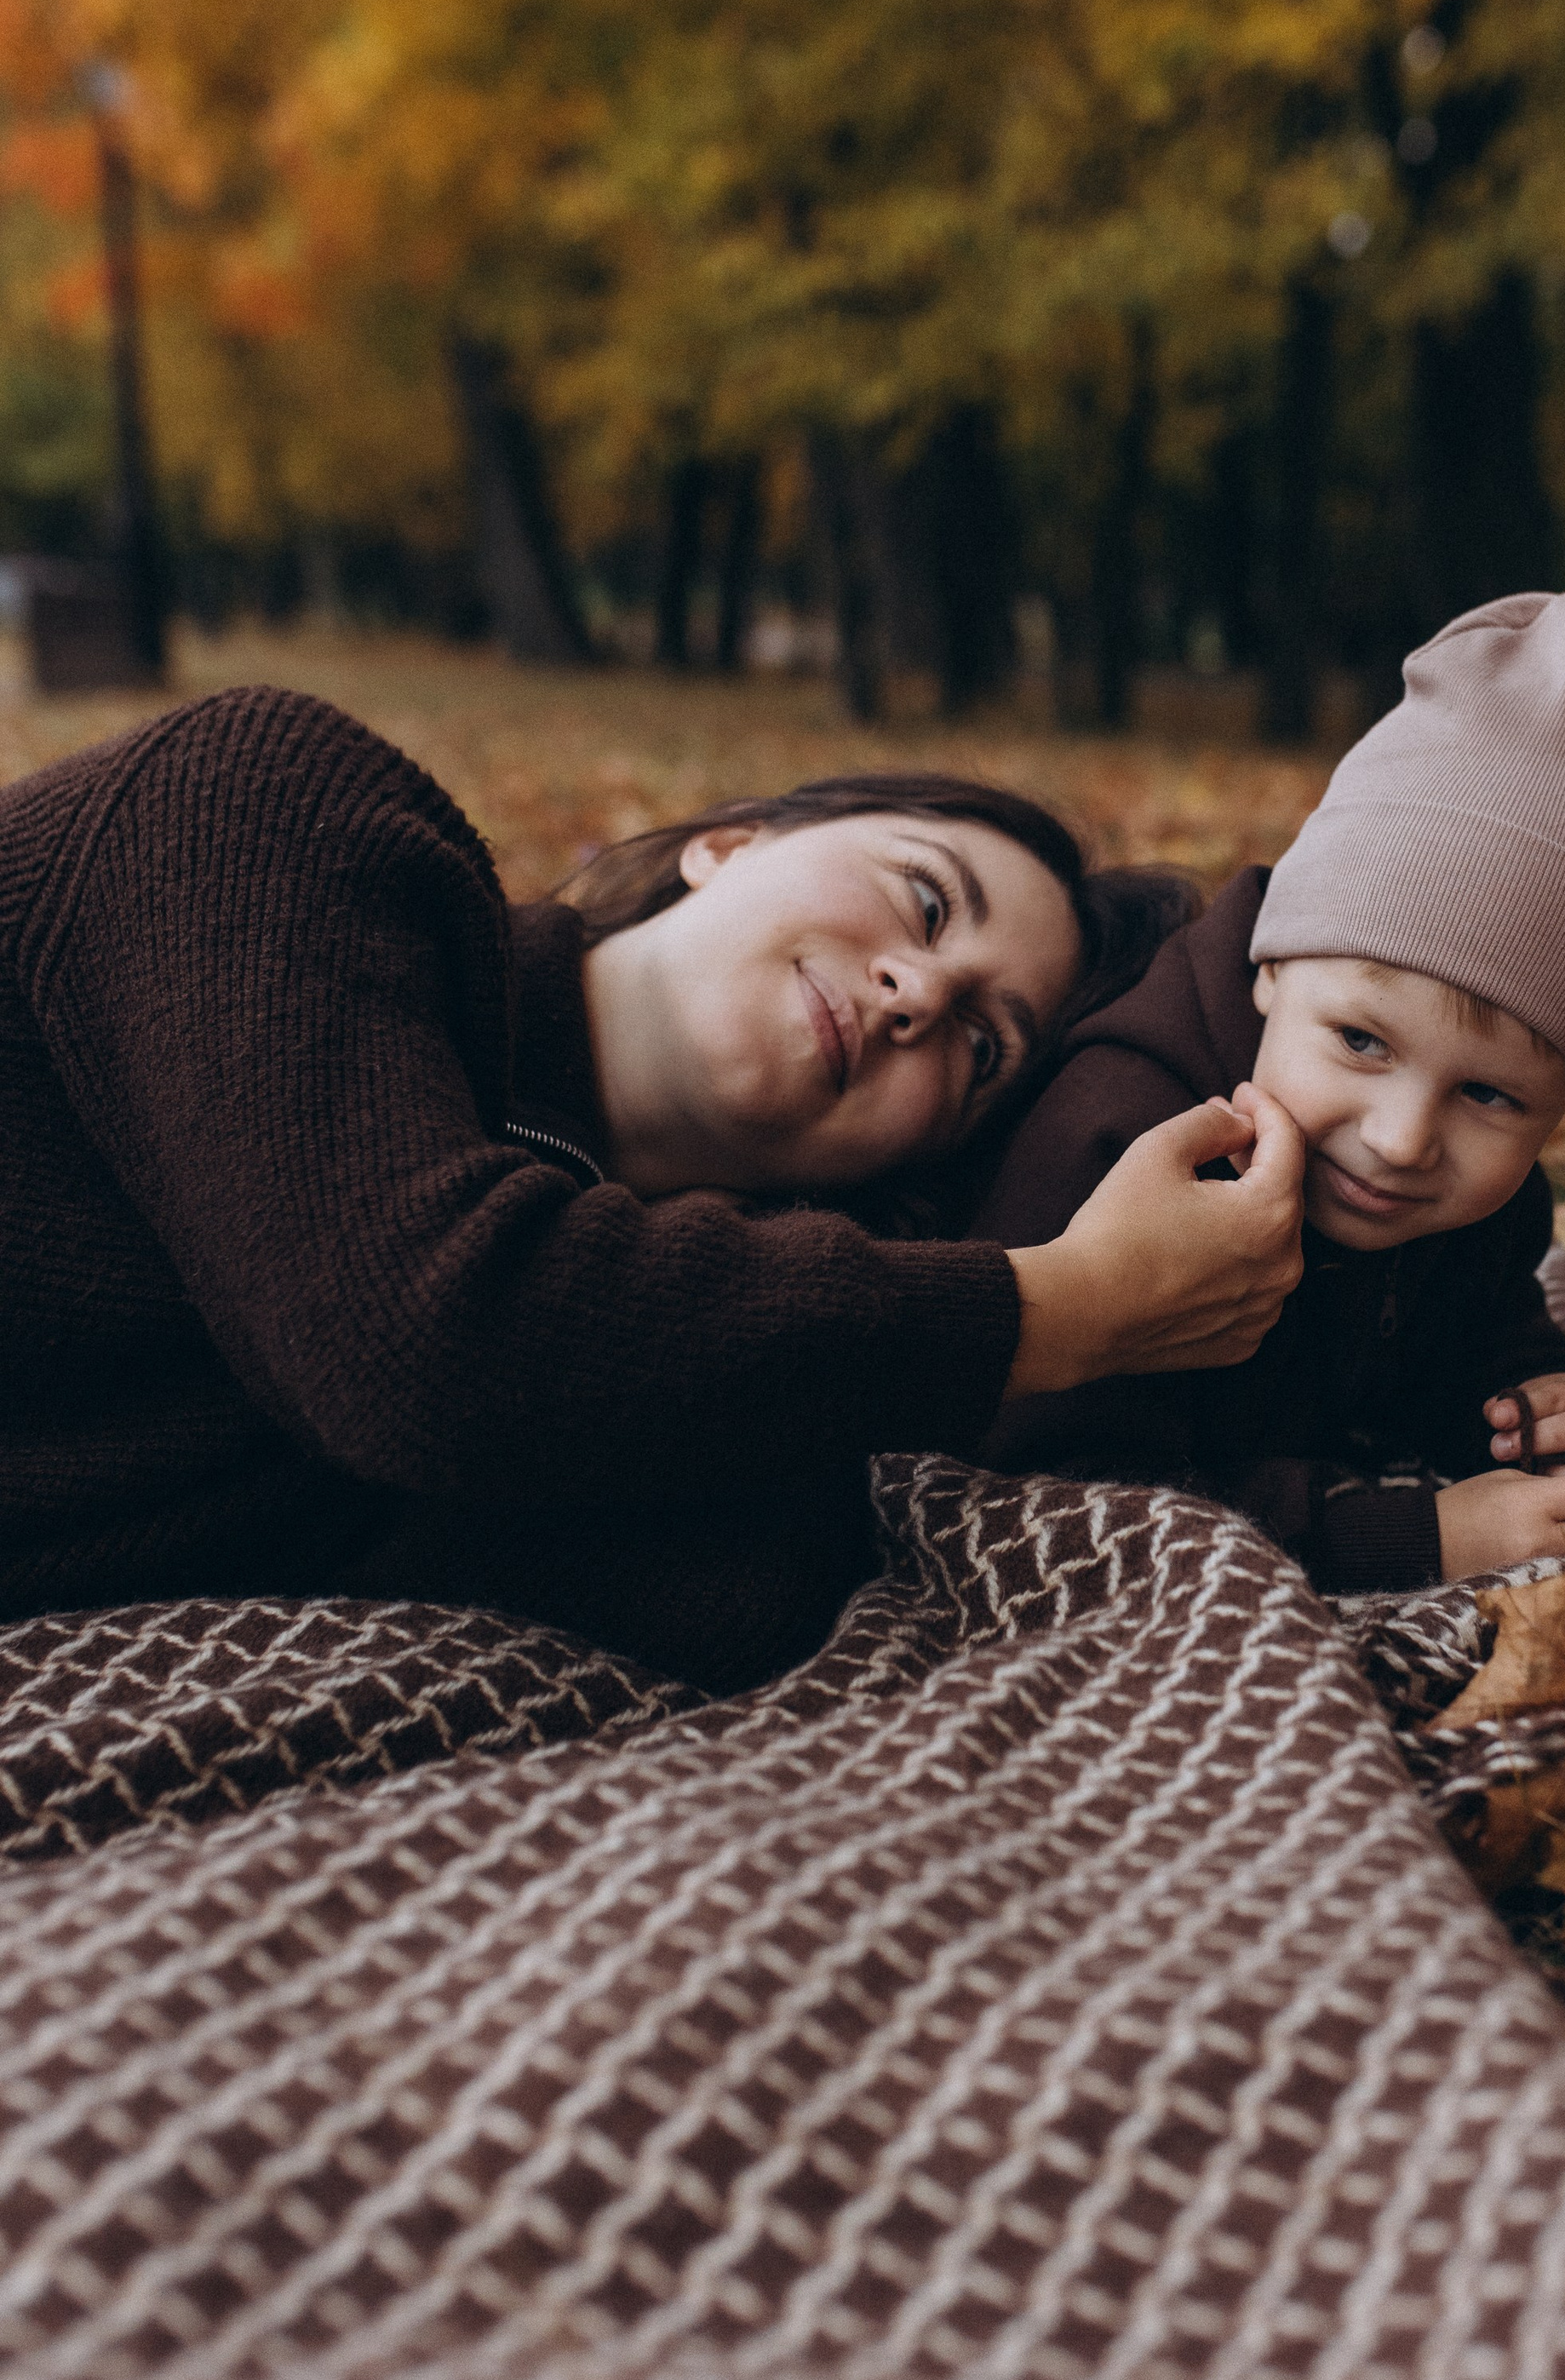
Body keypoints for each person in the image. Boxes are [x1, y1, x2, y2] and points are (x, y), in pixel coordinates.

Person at [0, 685, 1304, 1689]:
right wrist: (1058, 1305)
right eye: (922, 898)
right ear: (728, 845)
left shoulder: (640, 1383)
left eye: (979, 1049)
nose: (916, 990)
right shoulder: (272, 806)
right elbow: (425, 1338)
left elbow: (725, 1591)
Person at [976, 590, 1565, 1588]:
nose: (1402, 1138)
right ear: (1270, 964)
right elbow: (1052, 1490)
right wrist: (1413, 1538)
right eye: (1362, 1042)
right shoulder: (1118, 1142)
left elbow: (1471, 1328)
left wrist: (1542, 1398)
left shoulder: (1474, 1199)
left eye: (1489, 1096)